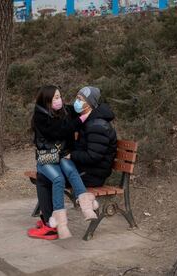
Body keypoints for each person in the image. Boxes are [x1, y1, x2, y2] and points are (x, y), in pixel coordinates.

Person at [31, 86, 117, 239]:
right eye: (76, 98)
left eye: (80, 99)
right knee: (47, 174)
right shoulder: (89, 118)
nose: (75, 102)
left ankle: (50, 225)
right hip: (88, 168)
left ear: (89, 103)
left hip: (93, 173)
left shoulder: (96, 124)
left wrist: (72, 155)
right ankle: (50, 221)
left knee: (45, 178)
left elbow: (93, 156)